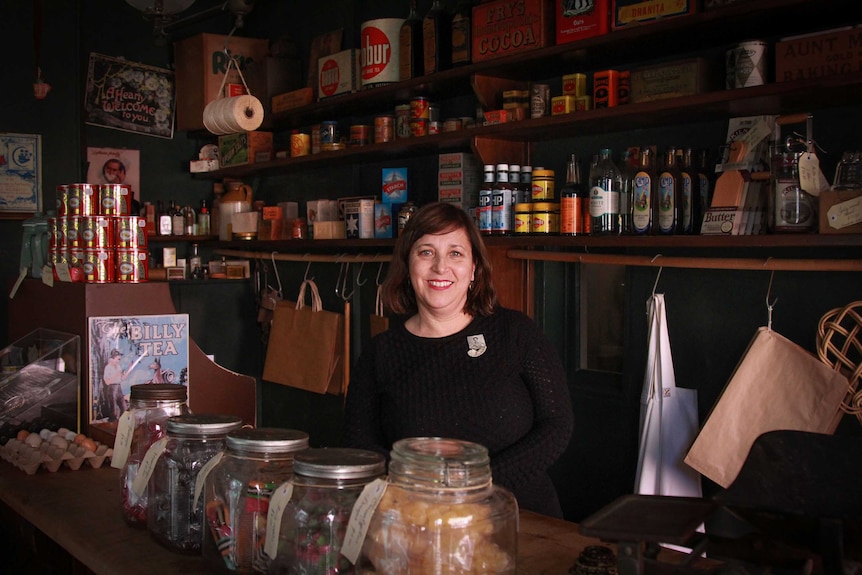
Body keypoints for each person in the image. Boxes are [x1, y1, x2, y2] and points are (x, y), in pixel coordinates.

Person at [341, 201, 574, 518]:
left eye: (455, 253)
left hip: (521, 518)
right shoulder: (381, 352)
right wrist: (426, 488)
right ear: (408, 265)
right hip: (420, 520)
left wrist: (477, 484)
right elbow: (361, 444)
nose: (440, 267)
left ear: (475, 267)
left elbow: (557, 425)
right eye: (426, 252)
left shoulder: (515, 332)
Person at [100, 349, 129, 421]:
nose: (119, 361)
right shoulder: (108, 368)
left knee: (124, 407)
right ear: (113, 358)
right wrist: (116, 374)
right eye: (118, 359)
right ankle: (113, 423)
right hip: (112, 389)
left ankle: (121, 422)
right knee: (113, 410)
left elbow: (122, 378)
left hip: (119, 388)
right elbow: (107, 382)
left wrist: (128, 372)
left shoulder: (118, 367)